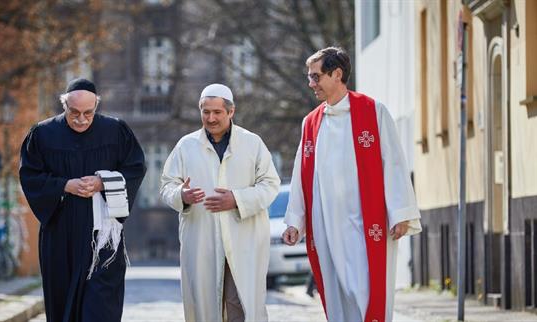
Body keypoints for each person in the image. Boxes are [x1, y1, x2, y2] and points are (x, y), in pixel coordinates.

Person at [282, 47, 422, 322]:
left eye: (315, 77)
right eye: (309, 77)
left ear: (337, 74)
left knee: (366, 289)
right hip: (326, 223)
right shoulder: (311, 123)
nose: (311, 84)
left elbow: (392, 162)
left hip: (364, 223)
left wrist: (400, 213)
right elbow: (301, 174)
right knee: (334, 291)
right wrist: (295, 221)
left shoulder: (372, 111)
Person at [19, 78, 146, 322]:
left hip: (103, 237)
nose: (81, 119)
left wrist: (102, 183)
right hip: (60, 234)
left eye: (88, 113)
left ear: (96, 106)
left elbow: (135, 168)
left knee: (101, 306)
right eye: (74, 113)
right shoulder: (43, 134)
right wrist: (65, 185)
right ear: (64, 105)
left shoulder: (116, 131)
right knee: (62, 299)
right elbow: (30, 176)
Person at [160, 84, 280, 322]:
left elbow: (270, 184)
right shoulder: (186, 145)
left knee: (241, 305)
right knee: (205, 306)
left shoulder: (252, 143)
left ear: (231, 111)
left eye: (217, 112)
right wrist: (181, 196)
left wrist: (236, 199)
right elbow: (166, 186)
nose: (211, 118)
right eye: (206, 112)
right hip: (202, 240)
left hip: (243, 238)